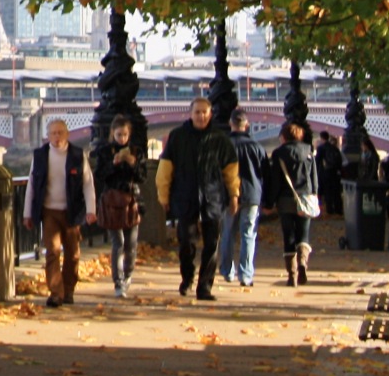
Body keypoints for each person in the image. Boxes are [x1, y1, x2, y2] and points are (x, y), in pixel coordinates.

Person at [156, 97, 239, 301]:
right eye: (197, 112)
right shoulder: (178, 137)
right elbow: (165, 168)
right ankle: (187, 277)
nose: (201, 116)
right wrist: (163, 195)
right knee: (186, 242)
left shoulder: (220, 139)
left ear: (210, 114)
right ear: (190, 114)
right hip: (185, 197)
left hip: (213, 198)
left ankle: (205, 286)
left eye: (204, 112)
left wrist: (234, 194)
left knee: (212, 243)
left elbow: (231, 170)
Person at [25, 118, 97, 307]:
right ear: (48, 136)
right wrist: (27, 213)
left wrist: (91, 210)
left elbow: (88, 184)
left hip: (72, 212)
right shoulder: (40, 156)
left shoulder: (77, 155)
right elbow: (31, 186)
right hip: (49, 211)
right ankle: (56, 293)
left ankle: (68, 290)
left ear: (67, 134)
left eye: (60, 133)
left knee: (73, 253)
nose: (57, 137)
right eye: (53, 133)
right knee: (53, 251)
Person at [94, 114, 144, 298]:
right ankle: (118, 281)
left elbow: (142, 177)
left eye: (124, 134)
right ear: (112, 133)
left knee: (131, 244)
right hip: (112, 202)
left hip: (131, 201)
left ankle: (128, 274)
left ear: (129, 134)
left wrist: (133, 164)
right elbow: (100, 176)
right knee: (118, 242)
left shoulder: (136, 152)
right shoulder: (105, 152)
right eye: (118, 134)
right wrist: (113, 164)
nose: (122, 138)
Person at [265, 121, 319, 285]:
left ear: (284, 136)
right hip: (305, 198)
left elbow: (275, 181)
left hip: (285, 199)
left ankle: (292, 275)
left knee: (288, 235)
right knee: (303, 234)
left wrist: (269, 202)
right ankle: (303, 262)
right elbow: (314, 176)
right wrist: (315, 194)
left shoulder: (278, 153)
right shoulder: (308, 151)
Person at [220, 110, 266, 287]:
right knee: (248, 234)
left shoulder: (224, 146)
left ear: (230, 124)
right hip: (251, 194)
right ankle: (246, 274)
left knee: (227, 233)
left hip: (228, 195)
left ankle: (227, 270)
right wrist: (267, 199)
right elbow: (264, 173)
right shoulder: (256, 147)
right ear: (247, 125)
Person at [314, 131, 345, 218]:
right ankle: (338, 209)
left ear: (321, 138)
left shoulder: (321, 148)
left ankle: (330, 209)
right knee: (336, 191)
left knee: (328, 191)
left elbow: (317, 161)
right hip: (335, 172)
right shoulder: (334, 148)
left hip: (325, 172)